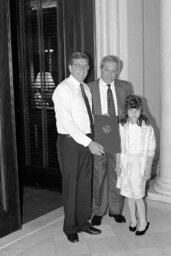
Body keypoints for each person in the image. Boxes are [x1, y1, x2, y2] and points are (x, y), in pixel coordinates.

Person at [52, 52, 104, 243]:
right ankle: (70, 227)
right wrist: (89, 143)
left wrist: (93, 138)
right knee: (71, 185)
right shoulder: (63, 89)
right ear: (70, 67)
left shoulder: (86, 89)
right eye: (78, 66)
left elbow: (87, 118)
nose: (83, 69)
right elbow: (67, 123)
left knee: (84, 183)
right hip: (70, 142)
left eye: (86, 66)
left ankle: (83, 222)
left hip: (85, 139)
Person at [88, 55, 134, 226]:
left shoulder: (125, 87)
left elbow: (131, 111)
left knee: (117, 174)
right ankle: (98, 211)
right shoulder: (89, 88)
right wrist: (98, 118)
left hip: (119, 138)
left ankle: (115, 210)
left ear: (118, 71)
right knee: (98, 175)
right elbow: (83, 114)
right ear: (101, 68)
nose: (109, 74)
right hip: (98, 138)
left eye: (114, 71)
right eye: (106, 70)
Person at [116, 95, 156, 235]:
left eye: (136, 109)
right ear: (126, 110)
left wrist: (148, 168)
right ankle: (133, 219)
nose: (133, 112)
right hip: (126, 164)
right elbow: (119, 146)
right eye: (130, 109)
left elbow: (151, 150)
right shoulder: (122, 126)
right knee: (128, 194)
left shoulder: (147, 128)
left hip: (140, 165)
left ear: (141, 110)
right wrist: (118, 164)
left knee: (138, 195)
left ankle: (143, 221)